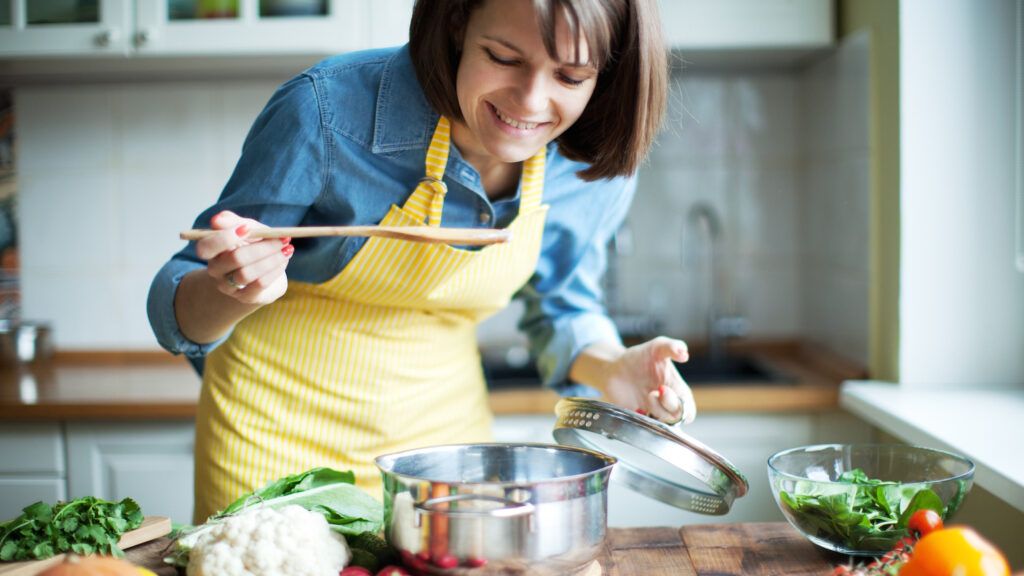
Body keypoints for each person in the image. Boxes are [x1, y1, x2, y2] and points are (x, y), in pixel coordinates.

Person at [148, 0, 696, 523]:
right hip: (270, 446)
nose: (531, 101)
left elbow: (562, 307)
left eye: (571, 77)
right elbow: (177, 311)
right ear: (457, 22)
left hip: (444, 457)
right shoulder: (327, 111)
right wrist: (230, 288)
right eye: (504, 58)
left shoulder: (589, 167)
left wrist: (612, 367)